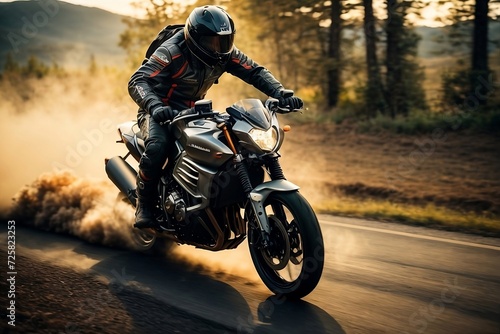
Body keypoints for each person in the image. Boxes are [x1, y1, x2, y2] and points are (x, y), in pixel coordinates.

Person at [128, 5, 303, 229]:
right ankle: (144, 205)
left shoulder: (224, 53)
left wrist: (279, 92)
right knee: (157, 146)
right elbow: (138, 81)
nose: (219, 47)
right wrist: (155, 106)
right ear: (195, 39)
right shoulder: (172, 51)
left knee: (234, 144)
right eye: (213, 41)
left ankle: (217, 200)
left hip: (194, 110)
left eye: (225, 40)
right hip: (159, 110)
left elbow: (255, 71)